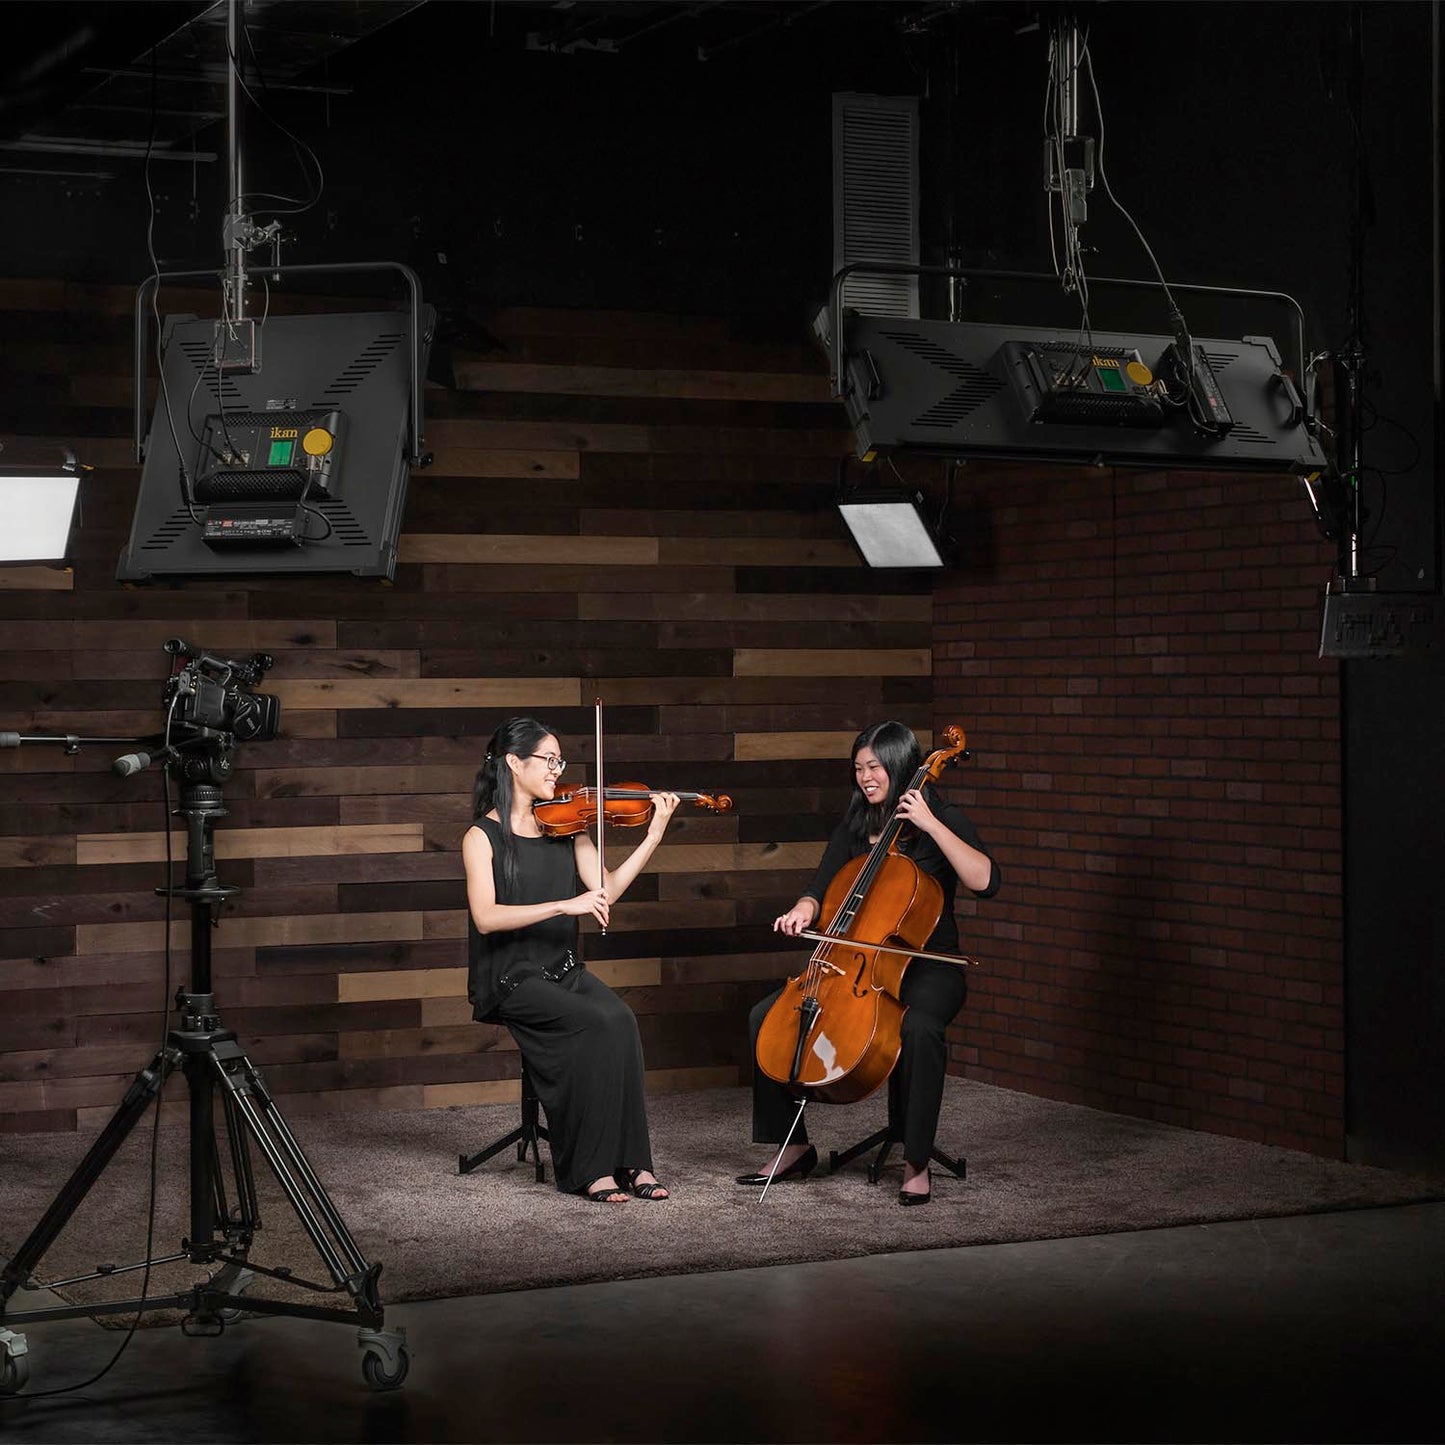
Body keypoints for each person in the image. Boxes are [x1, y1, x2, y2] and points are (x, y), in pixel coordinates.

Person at [738, 720, 1000, 1205]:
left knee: (920, 1029)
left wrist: (931, 825)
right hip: (856, 962)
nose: (865, 777)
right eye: (858, 768)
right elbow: (819, 889)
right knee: (766, 1017)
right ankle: (792, 1146)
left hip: (927, 965)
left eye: (875, 767)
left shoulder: (943, 817)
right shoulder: (858, 824)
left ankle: (916, 1163)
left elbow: (986, 880)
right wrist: (803, 908)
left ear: (899, 766)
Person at [464, 716, 680, 1204]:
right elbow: (485, 917)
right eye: (549, 759)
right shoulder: (481, 837)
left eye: (560, 760)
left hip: (562, 968)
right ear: (514, 763)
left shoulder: (565, 824)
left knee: (620, 1020)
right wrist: (565, 904)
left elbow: (606, 890)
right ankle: (590, 1169)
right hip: (511, 977)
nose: (557, 770)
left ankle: (634, 1164)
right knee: (592, 1024)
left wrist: (653, 836)